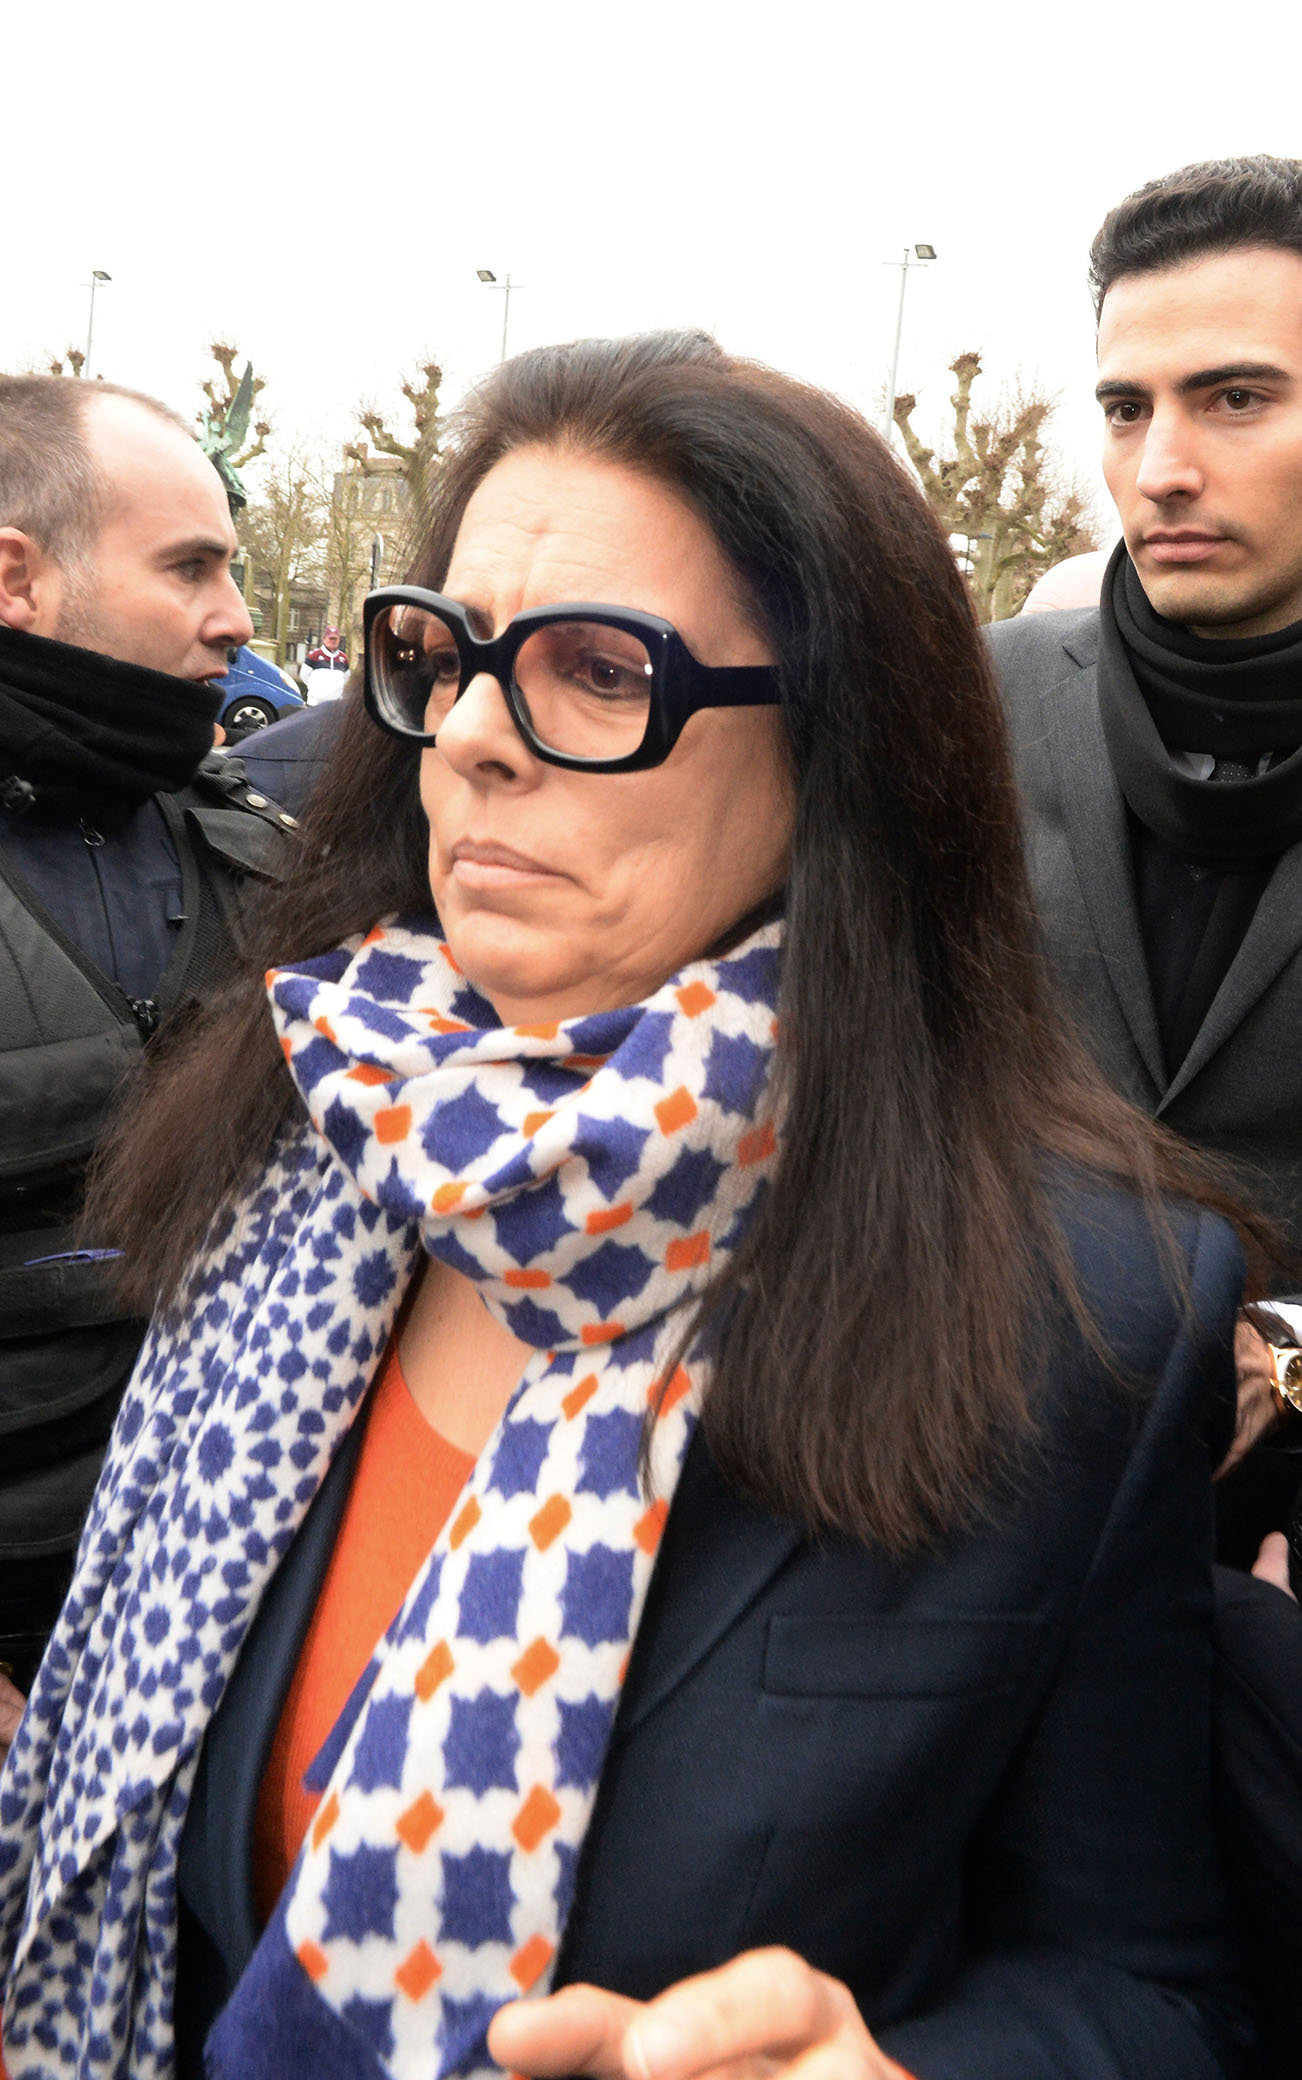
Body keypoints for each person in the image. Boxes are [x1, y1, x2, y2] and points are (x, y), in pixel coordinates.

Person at [0, 333, 1264, 2080]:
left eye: (599, 672)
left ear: (840, 752)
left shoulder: (1082, 1301)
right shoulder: (312, 1115)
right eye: (441, 657)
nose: (472, 746)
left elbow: (1146, 1984)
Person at [985, 156, 1302, 2072]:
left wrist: (1286, 1348)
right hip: (1000, 1493)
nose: (1158, 463)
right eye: (1124, 405)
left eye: (1234, 399)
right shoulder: (989, 687)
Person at [0, 375, 299, 1734]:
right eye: (191, 567)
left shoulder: (259, 852)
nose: (233, 621)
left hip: (241, 1666)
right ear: (19, 578)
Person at [302, 624, 350, 704]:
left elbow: (346, 678)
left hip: (335, 706)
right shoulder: (314, 656)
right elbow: (304, 675)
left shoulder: (343, 658)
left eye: (335, 639)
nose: (333, 641)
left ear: (339, 640)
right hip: (315, 705)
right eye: (330, 638)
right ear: (324, 639)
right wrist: (315, 692)